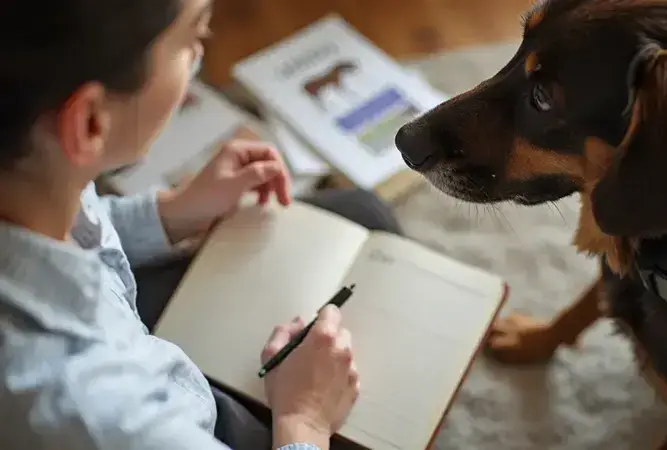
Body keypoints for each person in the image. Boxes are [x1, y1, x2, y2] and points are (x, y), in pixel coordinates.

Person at [0, 1, 402, 449]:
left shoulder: (32, 175)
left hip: (125, 336)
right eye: (194, 39)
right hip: (186, 414)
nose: (200, 58)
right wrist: (304, 419)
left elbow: (78, 227)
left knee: (365, 213)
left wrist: (171, 214)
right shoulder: (101, 416)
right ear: (91, 122)